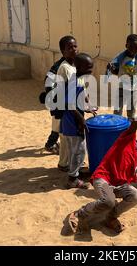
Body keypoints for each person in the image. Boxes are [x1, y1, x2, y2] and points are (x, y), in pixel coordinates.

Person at [67, 114, 137, 234]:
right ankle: (79, 214)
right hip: (102, 178)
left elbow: (125, 181)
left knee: (136, 196)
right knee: (109, 201)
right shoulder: (127, 139)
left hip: (116, 185)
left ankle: (110, 217)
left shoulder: (134, 161)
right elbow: (136, 119)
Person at [60, 53, 96, 189]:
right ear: (78, 67)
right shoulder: (75, 82)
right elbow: (70, 104)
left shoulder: (78, 79)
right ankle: (73, 179)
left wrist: (88, 107)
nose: (91, 71)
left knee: (74, 150)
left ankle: (77, 171)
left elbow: (82, 96)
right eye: (88, 68)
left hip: (68, 122)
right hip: (72, 123)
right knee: (79, 150)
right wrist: (81, 120)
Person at [107, 34, 137, 119]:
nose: (133, 49)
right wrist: (111, 69)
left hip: (134, 90)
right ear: (126, 46)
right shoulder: (120, 59)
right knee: (117, 112)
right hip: (121, 88)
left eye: (135, 47)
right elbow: (116, 72)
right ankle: (117, 128)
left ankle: (129, 129)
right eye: (130, 47)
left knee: (131, 113)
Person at [56, 36, 79, 172]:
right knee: (65, 137)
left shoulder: (76, 65)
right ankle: (64, 164)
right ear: (62, 51)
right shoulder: (64, 68)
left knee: (68, 137)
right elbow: (60, 90)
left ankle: (66, 162)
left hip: (75, 106)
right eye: (69, 48)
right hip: (66, 107)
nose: (73, 50)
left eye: (75, 46)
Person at [42, 56, 66, 154]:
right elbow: (48, 80)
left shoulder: (65, 64)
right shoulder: (60, 65)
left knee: (58, 121)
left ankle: (52, 143)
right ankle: (50, 144)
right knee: (58, 122)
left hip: (59, 97)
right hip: (57, 98)